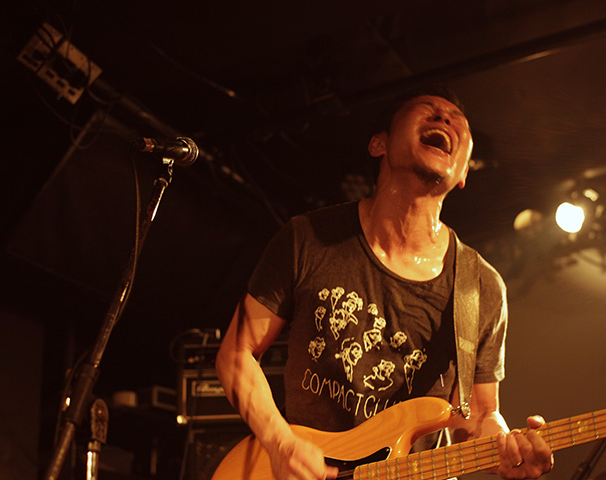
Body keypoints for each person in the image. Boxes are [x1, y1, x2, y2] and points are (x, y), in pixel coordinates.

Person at [216, 84, 553, 480]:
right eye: (427, 108)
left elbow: (479, 413)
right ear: (379, 144)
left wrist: (509, 451)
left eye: (457, 120)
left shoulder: (481, 286)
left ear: (463, 172)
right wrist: (280, 442)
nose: (444, 118)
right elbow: (237, 354)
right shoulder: (307, 238)